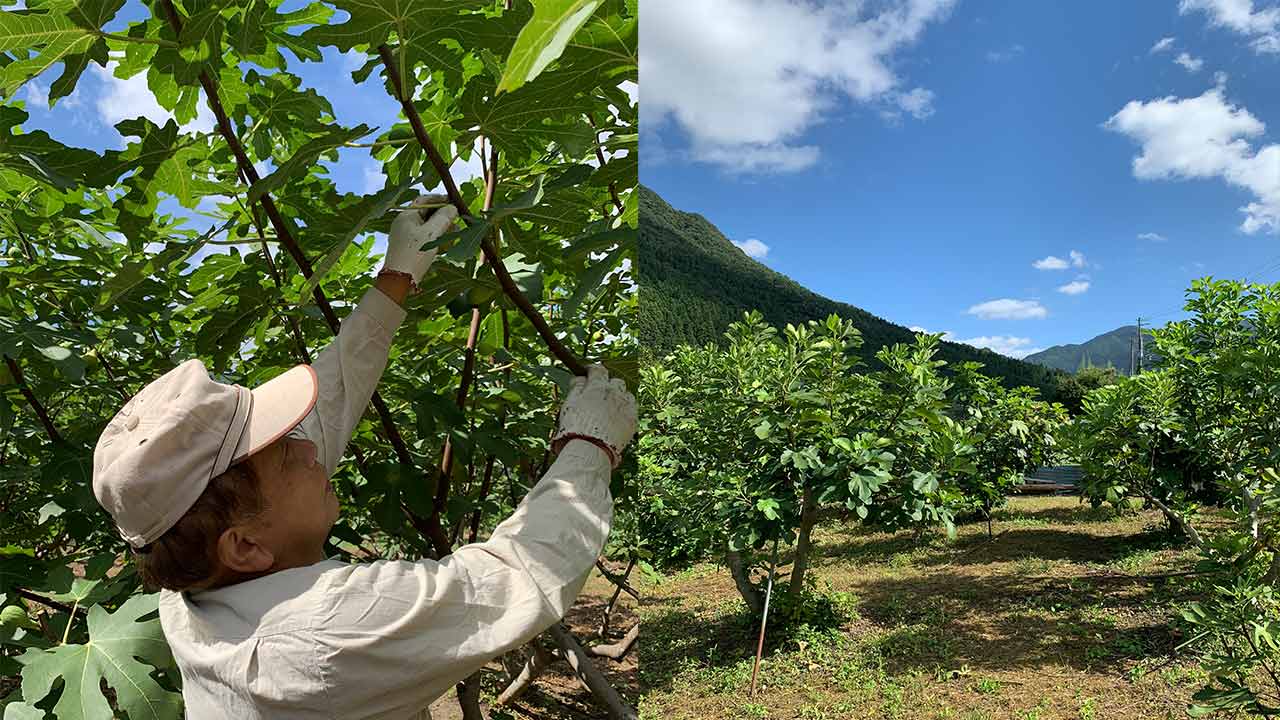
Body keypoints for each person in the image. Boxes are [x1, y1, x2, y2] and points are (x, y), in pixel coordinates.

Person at [90, 195, 638, 719]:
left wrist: (396, 277)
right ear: (246, 545)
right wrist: (589, 445)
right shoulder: (324, 634)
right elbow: (519, 577)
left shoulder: (193, 577)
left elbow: (325, 406)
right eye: (285, 456)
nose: (310, 447)